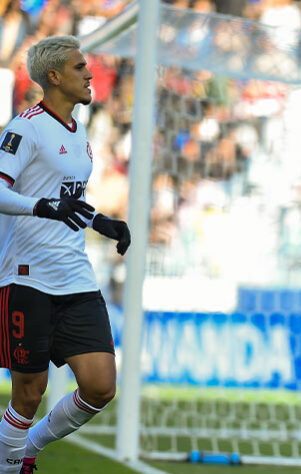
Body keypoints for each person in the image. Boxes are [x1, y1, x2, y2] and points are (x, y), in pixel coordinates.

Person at [0, 36, 130, 474]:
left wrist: (102, 222)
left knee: (100, 387)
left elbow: (66, 200)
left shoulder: (80, 135)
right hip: (27, 277)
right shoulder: (25, 128)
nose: (90, 74)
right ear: (53, 77)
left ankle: (26, 450)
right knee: (29, 393)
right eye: (80, 68)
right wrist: (41, 207)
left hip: (76, 276)